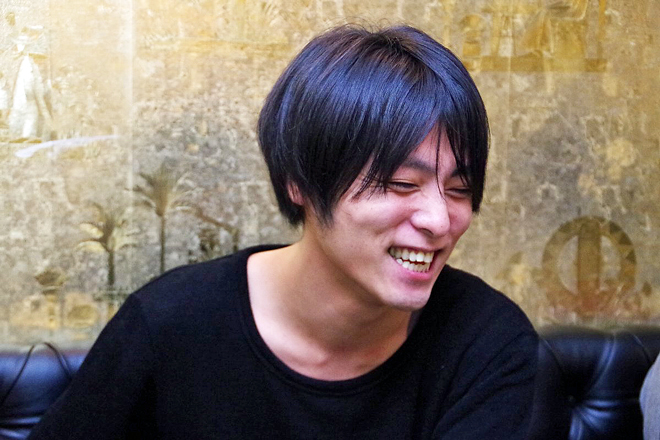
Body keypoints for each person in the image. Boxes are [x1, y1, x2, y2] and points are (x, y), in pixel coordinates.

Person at [27, 24, 538, 439]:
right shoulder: (170, 324)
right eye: (403, 183)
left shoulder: (486, 340)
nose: (440, 220)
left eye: (459, 189)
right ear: (300, 181)